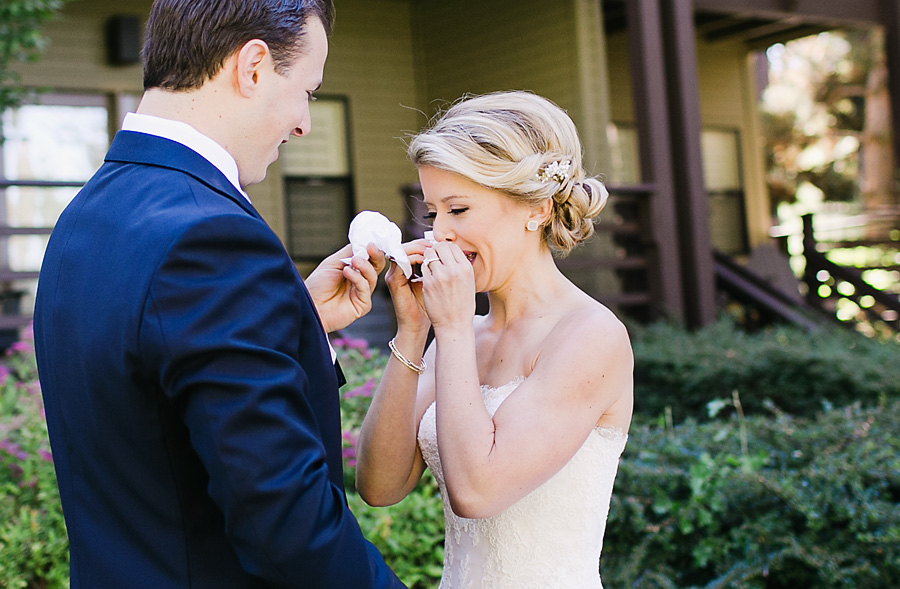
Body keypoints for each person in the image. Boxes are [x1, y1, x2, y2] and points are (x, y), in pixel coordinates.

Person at [32, 1, 405, 587]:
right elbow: (287, 528)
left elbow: (152, 401)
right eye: (308, 90)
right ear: (253, 66)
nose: (305, 123)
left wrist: (295, 319)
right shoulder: (212, 235)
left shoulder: (86, 215)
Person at [355, 91, 634, 588]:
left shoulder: (591, 337)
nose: (440, 233)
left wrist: (454, 327)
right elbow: (380, 485)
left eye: (458, 210)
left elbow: (478, 493)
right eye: (433, 212)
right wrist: (415, 330)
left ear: (537, 209)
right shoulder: (460, 334)